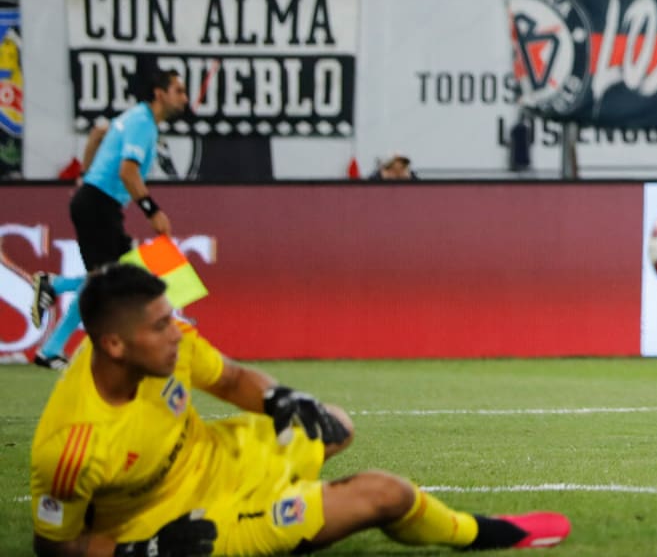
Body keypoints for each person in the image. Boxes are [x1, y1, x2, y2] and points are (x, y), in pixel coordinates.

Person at [30, 263, 570, 556]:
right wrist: (143, 551)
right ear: (114, 346)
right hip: (191, 526)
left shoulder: (169, 346)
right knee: (385, 494)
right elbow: (56, 550)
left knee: (333, 422)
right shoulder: (70, 447)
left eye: (172, 317)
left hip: (227, 460)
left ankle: (286, 527)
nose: (177, 332)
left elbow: (236, 378)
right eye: (160, 326)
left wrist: (278, 396)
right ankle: (485, 532)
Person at [31, 69, 190, 369]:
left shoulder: (134, 118)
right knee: (102, 281)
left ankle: (56, 288)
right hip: (98, 205)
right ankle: (50, 346)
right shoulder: (143, 124)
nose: (184, 98)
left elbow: (98, 133)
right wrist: (152, 210)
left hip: (99, 203)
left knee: (118, 275)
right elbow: (127, 172)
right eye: (179, 91)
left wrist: (84, 175)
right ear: (159, 94)